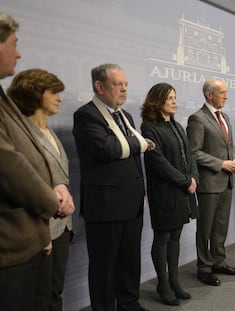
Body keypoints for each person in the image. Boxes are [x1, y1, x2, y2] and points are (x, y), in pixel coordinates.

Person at [0, 11, 74, 311]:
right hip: (19, 238)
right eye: (13, 44)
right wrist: (52, 205)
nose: (19, 53)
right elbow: (11, 167)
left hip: (43, 230)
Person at [72, 63, 154, 311]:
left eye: (126, 84)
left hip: (132, 203)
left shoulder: (126, 117)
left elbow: (129, 152)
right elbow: (108, 149)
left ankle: (129, 303)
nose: (124, 89)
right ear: (100, 87)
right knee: (104, 267)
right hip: (106, 207)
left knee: (130, 262)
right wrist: (141, 143)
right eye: (118, 84)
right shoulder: (86, 115)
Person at [140, 83, 199, 306]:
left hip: (183, 191)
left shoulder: (176, 125)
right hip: (165, 192)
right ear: (157, 101)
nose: (175, 101)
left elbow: (190, 155)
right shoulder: (148, 128)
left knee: (175, 236)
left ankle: (174, 282)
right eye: (170, 98)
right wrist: (186, 181)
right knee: (163, 237)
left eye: (175, 97)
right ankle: (162, 285)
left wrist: (194, 178)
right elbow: (158, 163)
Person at [187, 78, 235, 287]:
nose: (226, 96)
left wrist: (234, 160)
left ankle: (219, 261)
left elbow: (230, 147)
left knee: (220, 227)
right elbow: (194, 153)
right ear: (209, 95)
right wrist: (222, 164)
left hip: (227, 181)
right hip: (209, 184)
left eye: (226, 92)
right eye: (222, 92)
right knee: (205, 228)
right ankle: (204, 267)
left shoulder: (224, 116)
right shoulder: (197, 119)